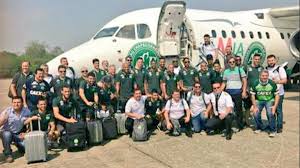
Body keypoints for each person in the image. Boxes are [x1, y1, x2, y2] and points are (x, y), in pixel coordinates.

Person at [0, 96, 31, 163]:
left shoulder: (26, 111)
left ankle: (18, 145)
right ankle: (8, 154)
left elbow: (30, 123)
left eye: (18, 102)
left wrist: (26, 132)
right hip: (6, 133)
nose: (16, 104)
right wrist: (2, 121)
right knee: (7, 134)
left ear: (22, 103)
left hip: (18, 134)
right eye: (14, 102)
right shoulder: (7, 111)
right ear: (12, 103)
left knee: (26, 149)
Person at [250, 70, 279, 137]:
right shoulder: (255, 83)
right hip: (259, 100)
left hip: (269, 100)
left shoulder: (272, 83)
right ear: (260, 76)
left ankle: (273, 130)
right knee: (255, 113)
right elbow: (252, 95)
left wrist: (274, 106)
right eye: (263, 76)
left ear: (268, 76)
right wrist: (254, 106)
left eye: (266, 76)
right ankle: (260, 127)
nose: (264, 77)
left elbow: (277, 95)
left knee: (270, 113)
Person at [221, 57, 247, 130]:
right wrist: (220, 91)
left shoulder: (239, 69)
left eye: (233, 62)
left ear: (235, 62)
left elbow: (244, 81)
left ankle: (240, 126)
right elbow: (224, 82)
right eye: (230, 62)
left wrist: (244, 91)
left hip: (238, 92)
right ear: (228, 63)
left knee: (239, 110)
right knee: (228, 109)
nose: (232, 63)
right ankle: (227, 125)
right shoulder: (226, 71)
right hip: (228, 93)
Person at [266, 54, 287, 133]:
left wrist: (276, 81)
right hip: (269, 94)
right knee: (270, 111)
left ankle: (279, 126)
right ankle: (272, 125)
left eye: (272, 60)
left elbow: (284, 80)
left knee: (278, 110)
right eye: (269, 61)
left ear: (275, 60)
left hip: (279, 93)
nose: (271, 62)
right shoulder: (266, 69)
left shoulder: (280, 69)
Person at [243, 54, 264, 127]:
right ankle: (246, 122)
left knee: (257, 107)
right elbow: (244, 79)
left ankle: (258, 123)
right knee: (247, 108)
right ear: (253, 59)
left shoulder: (261, 68)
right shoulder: (248, 68)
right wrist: (244, 90)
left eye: (258, 59)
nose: (257, 60)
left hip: (257, 92)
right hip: (249, 91)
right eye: (256, 59)